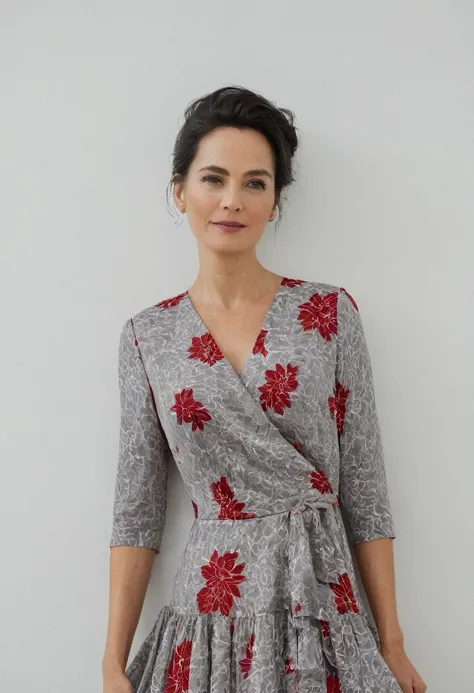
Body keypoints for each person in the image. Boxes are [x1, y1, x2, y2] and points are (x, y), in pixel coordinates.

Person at [102, 85, 426, 693]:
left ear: (276, 200)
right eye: (213, 179)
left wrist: (392, 640)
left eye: (255, 182)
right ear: (180, 190)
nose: (232, 200)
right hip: (211, 621)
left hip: (320, 604)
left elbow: (365, 484)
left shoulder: (328, 314)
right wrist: (111, 664)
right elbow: (138, 508)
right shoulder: (149, 336)